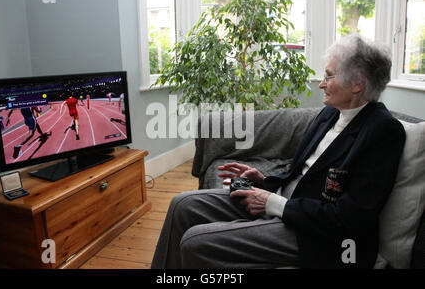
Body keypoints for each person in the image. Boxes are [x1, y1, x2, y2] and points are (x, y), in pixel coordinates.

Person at [150, 34, 406, 269]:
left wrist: (273, 203)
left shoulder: (383, 132)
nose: (321, 84)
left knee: (196, 242)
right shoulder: (329, 114)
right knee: (182, 204)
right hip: (283, 202)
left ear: (357, 84)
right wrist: (263, 182)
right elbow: (301, 172)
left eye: (329, 76)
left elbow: (351, 218)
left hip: (316, 233)